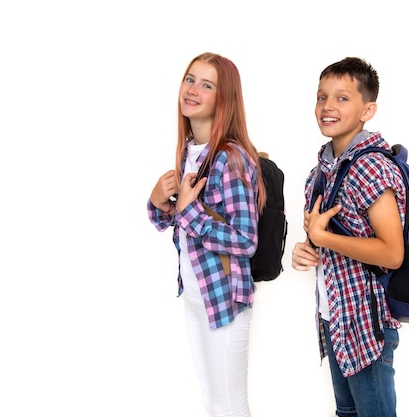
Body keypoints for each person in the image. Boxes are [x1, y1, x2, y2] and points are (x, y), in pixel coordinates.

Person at [147, 52, 266, 417]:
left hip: (225, 297)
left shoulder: (231, 158)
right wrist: (157, 203)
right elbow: (178, 223)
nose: (193, 89)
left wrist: (187, 211)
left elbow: (245, 241)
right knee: (213, 404)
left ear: (223, 98)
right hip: (196, 295)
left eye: (207, 84)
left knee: (231, 405)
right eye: (190, 79)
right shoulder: (190, 153)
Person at [291, 57, 407, 417]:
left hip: (365, 322)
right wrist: (305, 251)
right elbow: (320, 238)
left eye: (342, 98)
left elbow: (392, 253)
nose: (327, 106)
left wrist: (324, 241)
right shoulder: (320, 172)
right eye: (321, 96)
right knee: (347, 414)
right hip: (334, 317)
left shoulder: (371, 166)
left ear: (367, 110)